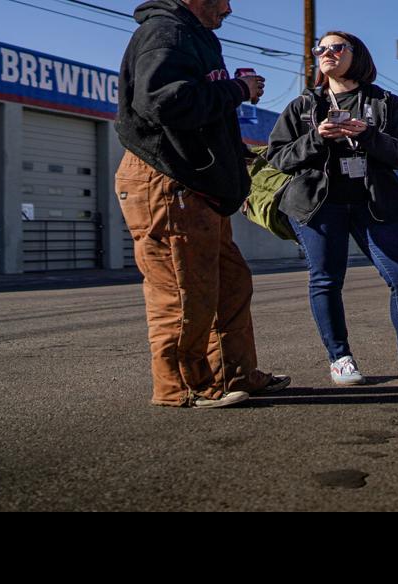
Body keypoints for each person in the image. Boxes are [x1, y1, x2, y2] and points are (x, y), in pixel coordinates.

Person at [113, 0, 289, 408]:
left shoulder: (197, 38)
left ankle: (234, 374)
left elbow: (200, 114)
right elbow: (163, 103)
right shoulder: (166, 33)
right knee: (182, 292)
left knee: (229, 284)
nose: (228, 8)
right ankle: (181, 387)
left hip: (198, 188)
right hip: (169, 182)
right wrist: (237, 90)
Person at [265, 30, 398, 386]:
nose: (326, 52)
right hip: (319, 204)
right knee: (326, 280)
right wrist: (317, 137)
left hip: (375, 202)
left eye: (336, 47)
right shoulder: (304, 105)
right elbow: (277, 156)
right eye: (321, 48)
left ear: (357, 54)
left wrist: (367, 134)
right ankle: (340, 359)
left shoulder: (386, 103)